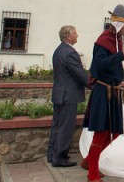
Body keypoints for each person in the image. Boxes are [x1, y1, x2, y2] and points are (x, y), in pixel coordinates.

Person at [82, 5, 124, 182]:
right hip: (103, 92)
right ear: (118, 24)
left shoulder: (117, 39)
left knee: (115, 132)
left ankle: (89, 161)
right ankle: (92, 174)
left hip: (113, 92)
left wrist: (121, 53)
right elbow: (97, 67)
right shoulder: (103, 41)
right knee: (101, 133)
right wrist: (121, 55)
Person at [48, 25, 89, 168]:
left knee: (57, 125)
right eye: (75, 34)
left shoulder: (59, 50)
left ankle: (52, 155)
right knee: (65, 126)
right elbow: (79, 74)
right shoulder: (70, 52)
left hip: (59, 94)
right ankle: (60, 158)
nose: (77, 36)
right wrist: (95, 85)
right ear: (68, 36)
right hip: (68, 95)